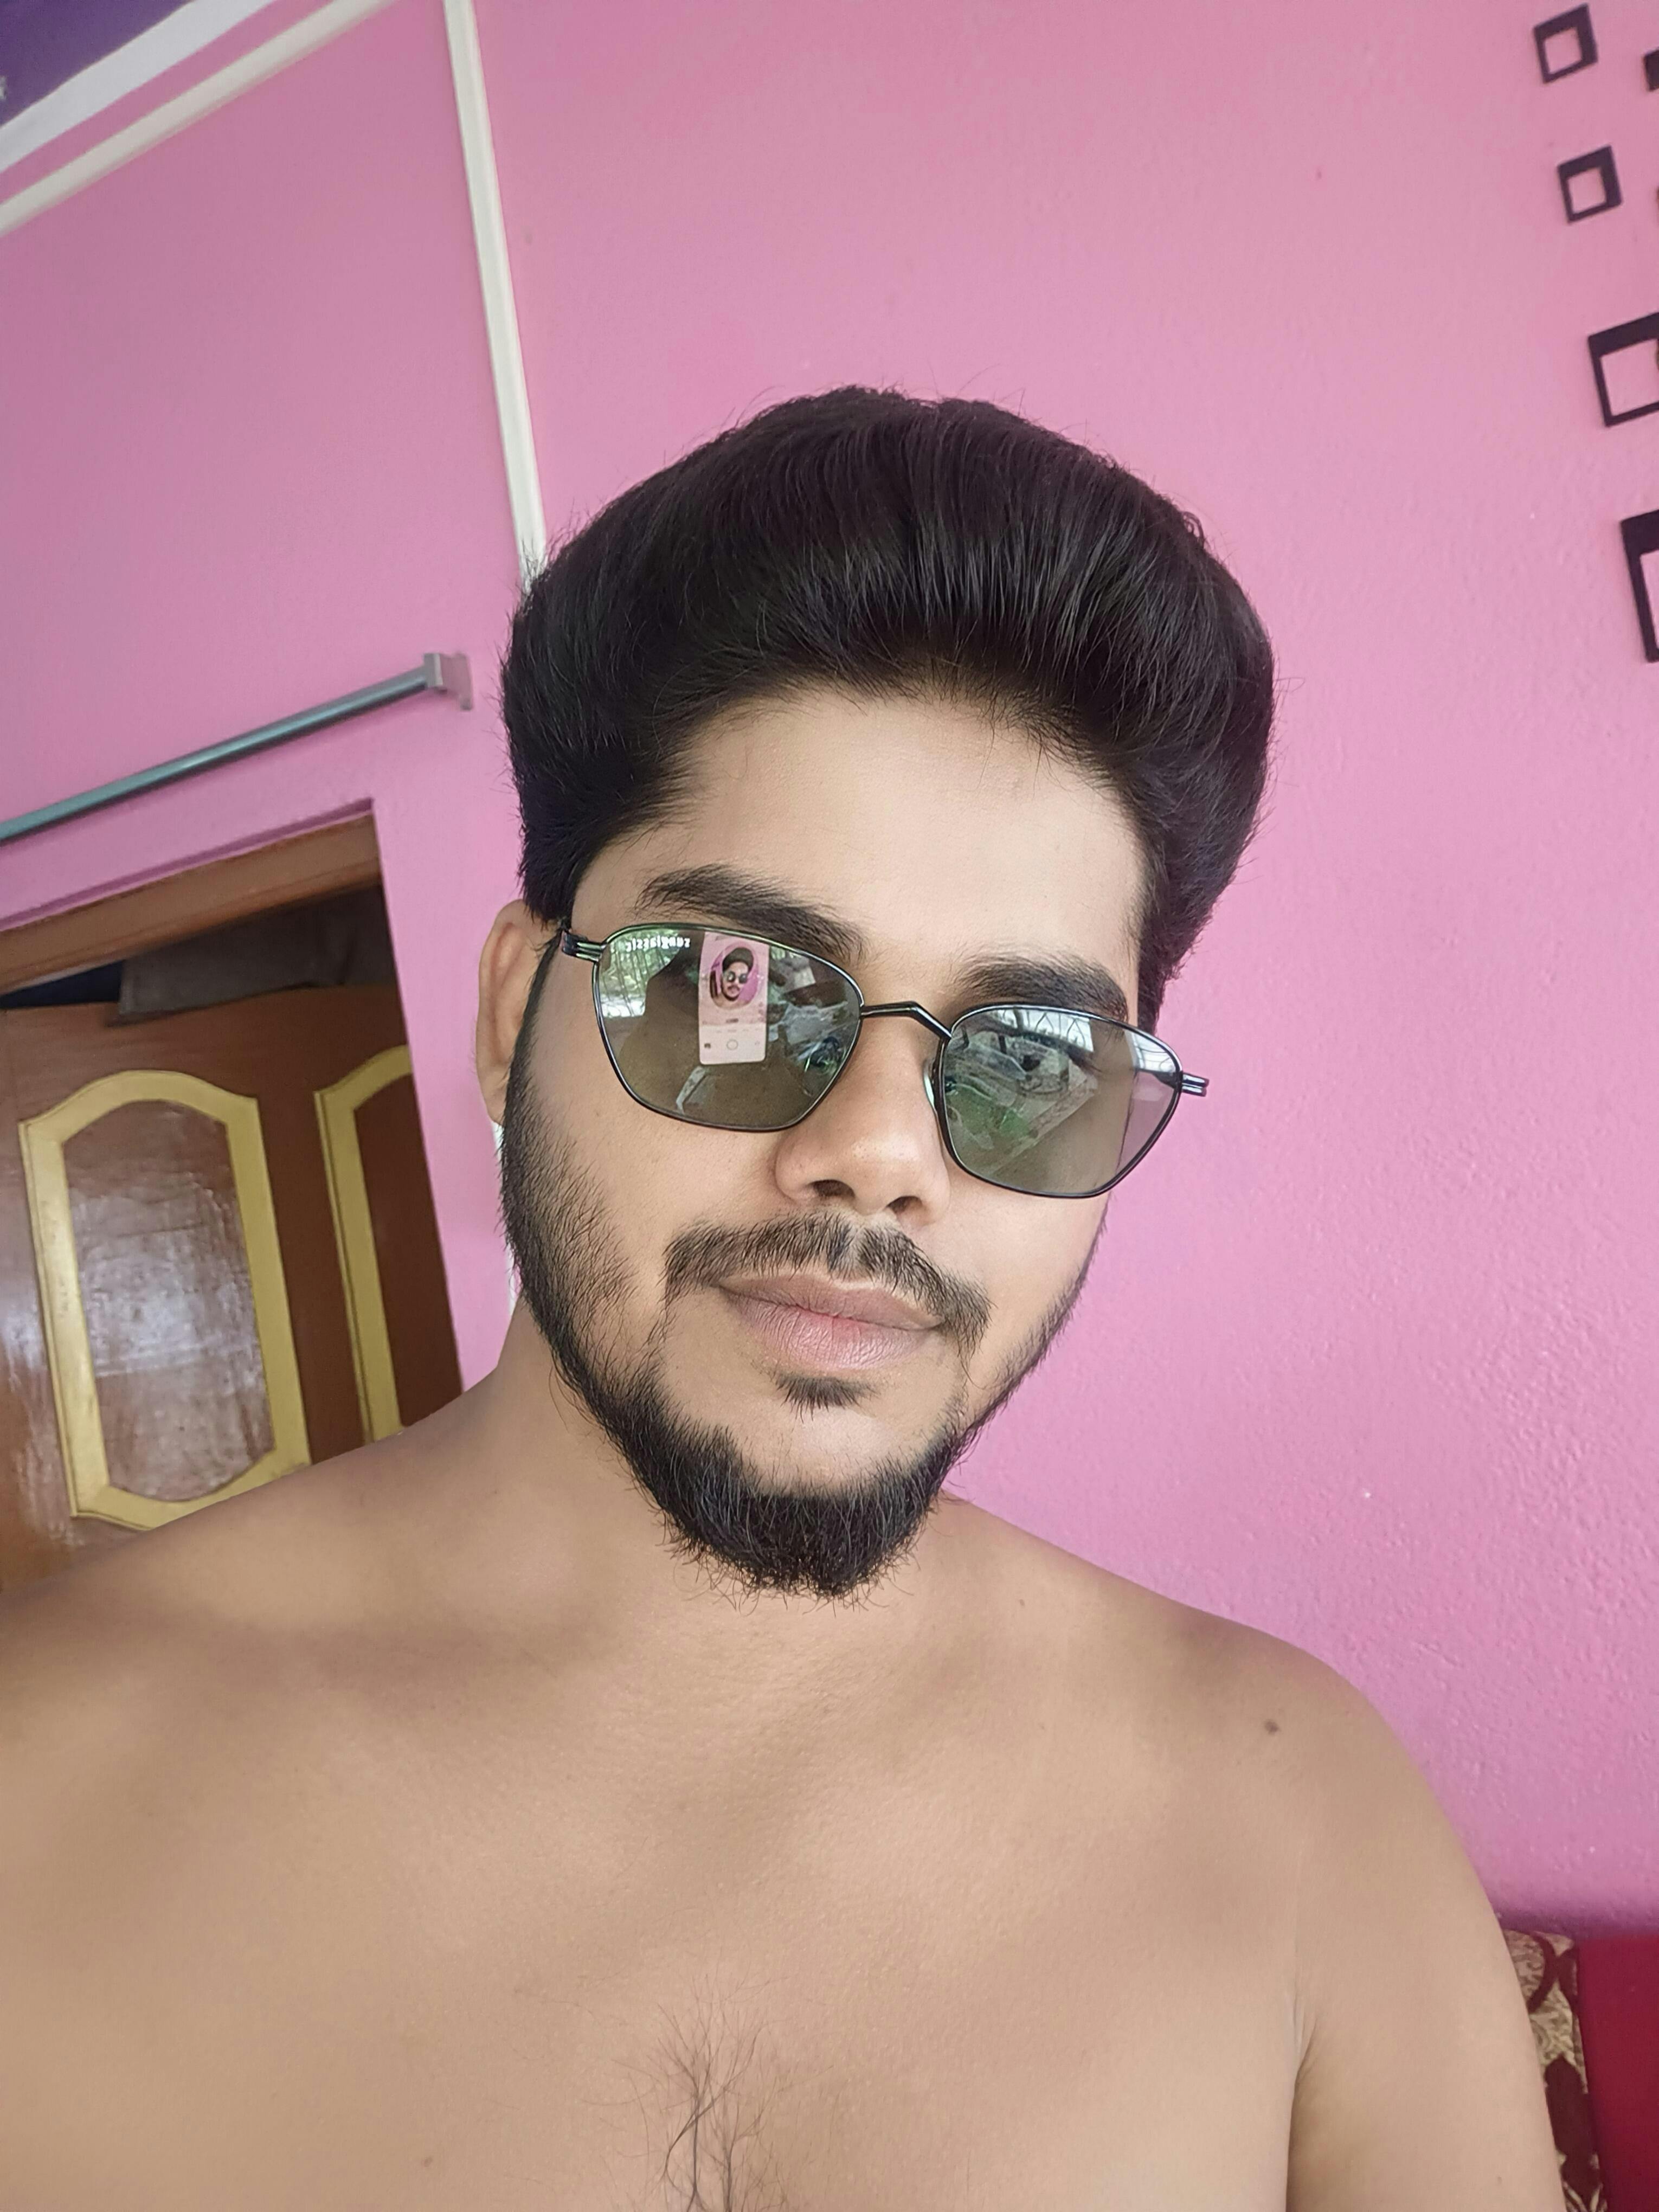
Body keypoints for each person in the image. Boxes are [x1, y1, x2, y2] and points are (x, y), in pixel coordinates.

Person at [0, 390, 1560, 2209]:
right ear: (512, 1010)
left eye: (1030, 1052)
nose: (878, 1151)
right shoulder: (43, 1782)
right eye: (733, 985)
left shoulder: (1303, 1818)